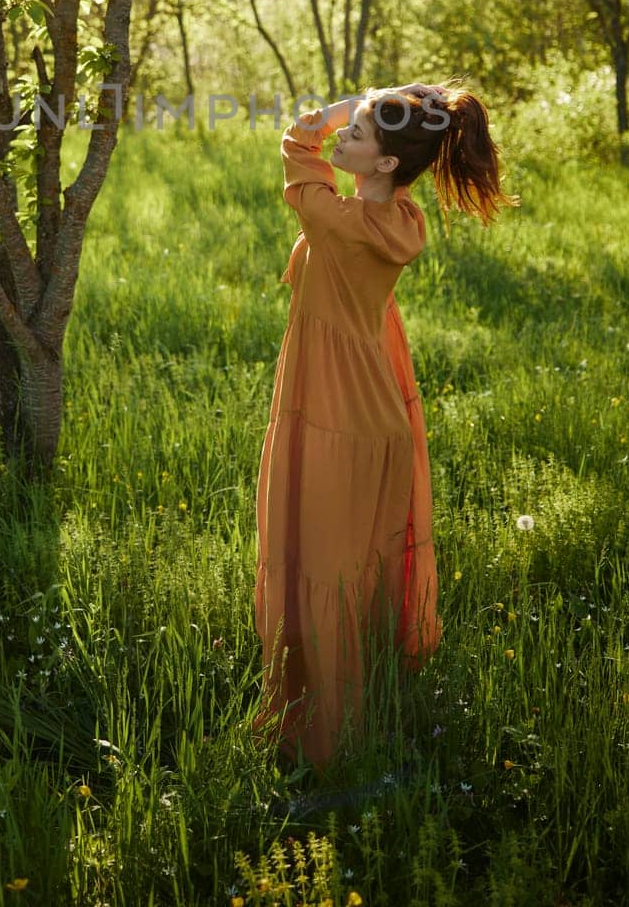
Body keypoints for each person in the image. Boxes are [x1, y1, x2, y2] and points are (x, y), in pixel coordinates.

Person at [251, 78, 519, 771]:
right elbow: (326, 152)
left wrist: (356, 103)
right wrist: (384, 106)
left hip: (335, 413)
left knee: (324, 572)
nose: (342, 135)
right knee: (345, 572)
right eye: (350, 127)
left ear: (385, 165)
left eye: (358, 136)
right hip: (365, 408)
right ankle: (359, 713)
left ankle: (328, 746)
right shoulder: (397, 219)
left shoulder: (337, 222)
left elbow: (296, 139)